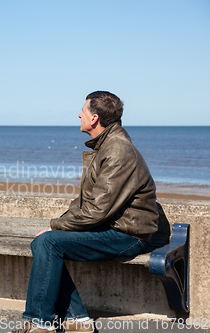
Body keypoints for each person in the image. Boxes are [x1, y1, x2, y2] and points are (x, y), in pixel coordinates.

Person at [11, 91, 159, 333]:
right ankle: (77, 321)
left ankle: (40, 324)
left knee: (49, 243)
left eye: (84, 111)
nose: (79, 114)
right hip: (111, 228)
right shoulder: (106, 146)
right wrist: (58, 224)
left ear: (94, 119)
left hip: (128, 235)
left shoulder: (118, 151)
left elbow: (96, 211)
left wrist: (56, 226)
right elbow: (84, 202)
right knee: (45, 242)